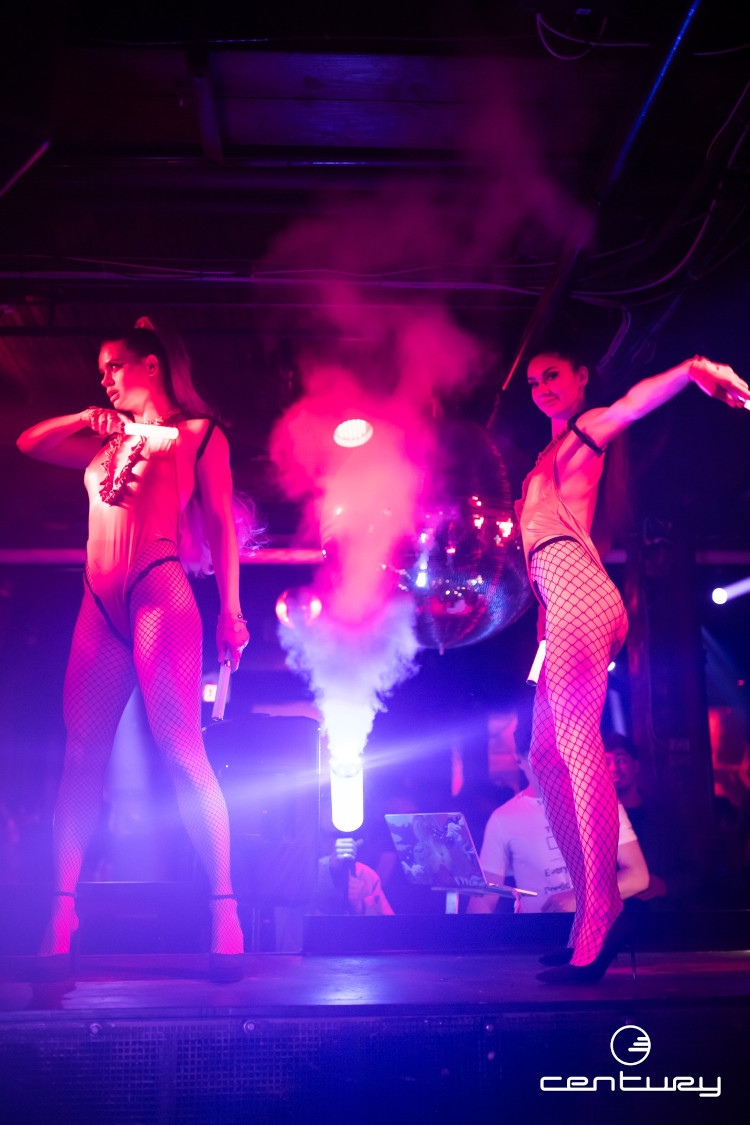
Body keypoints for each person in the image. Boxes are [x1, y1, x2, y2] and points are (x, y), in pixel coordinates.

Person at [16, 318, 255, 980]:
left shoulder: (197, 433)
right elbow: (29, 442)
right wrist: (81, 416)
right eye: (101, 371)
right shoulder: (106, 439)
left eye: (115, 366)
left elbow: (222, 525)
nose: (106, 379)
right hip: (97, 604)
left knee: (181, 749)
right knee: (80, 757)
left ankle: (225, 907)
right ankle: (62, 910)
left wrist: (232, 609)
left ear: (151, 365)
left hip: (158, 590)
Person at [516, 343, 748, 983]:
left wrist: (693, 370)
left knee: (575, 744)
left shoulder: (587, 431)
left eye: (553, 375)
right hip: (559, 603)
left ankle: (601, 914)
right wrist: (542, 635)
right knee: (545, 756)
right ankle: (592, 912)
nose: (542, 387)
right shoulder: (546, 457)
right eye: (533, 381)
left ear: (581, 376)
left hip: (580, 592)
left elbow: (631, 404)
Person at [467, 742, 648, 916]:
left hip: (598, 931)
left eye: (556, 756)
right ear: (519, 760)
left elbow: (637, 876)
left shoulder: (600, 802)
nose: (551, 767)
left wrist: (580, 899)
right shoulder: (503, 818)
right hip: (539, 934)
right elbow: (485, 898)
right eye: (539, 758)